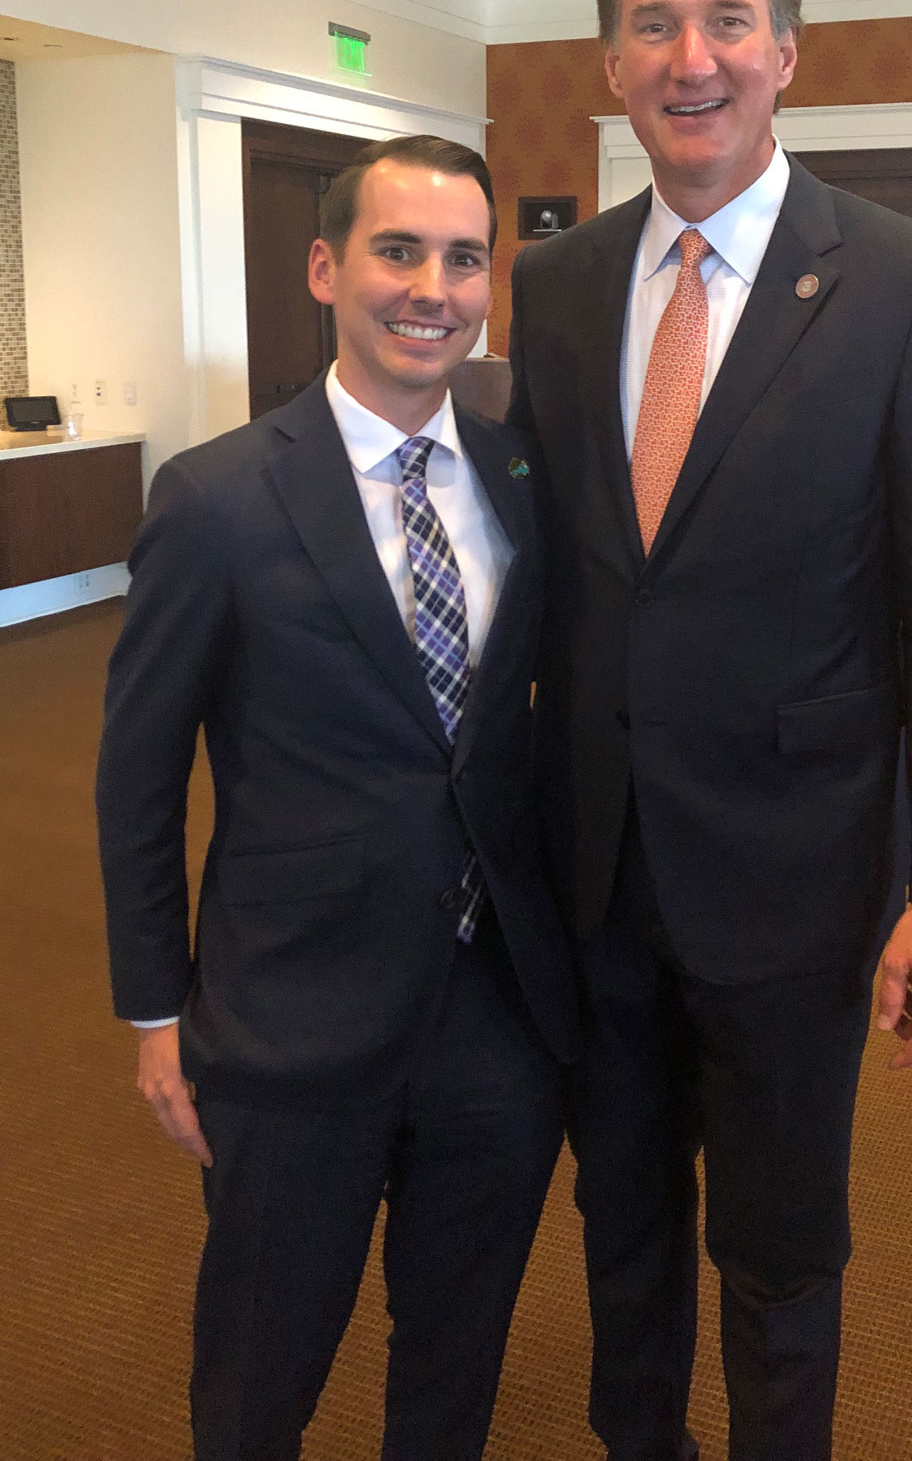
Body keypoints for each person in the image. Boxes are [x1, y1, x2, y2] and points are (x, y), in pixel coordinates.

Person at [508, 0, 912, 1461]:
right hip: (597, 871)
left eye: (728, 18)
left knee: (782, 1254)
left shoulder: (905, 283)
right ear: (608, 59)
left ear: (789, 49)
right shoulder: (560, 287)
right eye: (654, 20)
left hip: (795, 884)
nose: (693, 54)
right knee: (626, 1229)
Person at [97, 134, 577, 1461]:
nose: (435, 286)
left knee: (455, 1357)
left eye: (465, 257)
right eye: (399, 249)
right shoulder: (216, 499)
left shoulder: (520, 481)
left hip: (496, 1012)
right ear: (326, 267)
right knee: (259, 1374)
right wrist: (156, 1009)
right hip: (290, 1018)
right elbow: (136, 776)